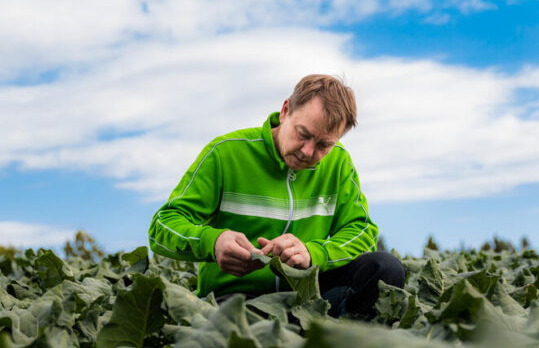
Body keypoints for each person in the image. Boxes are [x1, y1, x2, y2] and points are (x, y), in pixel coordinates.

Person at [148, 74, 405, 317]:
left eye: (324, 145)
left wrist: (313, 253)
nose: (307, 151)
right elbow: (162, 225)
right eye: (302, 134)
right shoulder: (224, 154)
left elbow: (362, 231)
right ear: (285, 111)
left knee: (385, 269)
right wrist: (212, 242)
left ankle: (350, 347)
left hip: (309, 296)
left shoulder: (339, 162)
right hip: (238, 299)